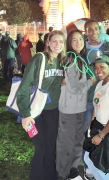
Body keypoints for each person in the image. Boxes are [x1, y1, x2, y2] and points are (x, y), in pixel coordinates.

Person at [17, 30, 65, 180]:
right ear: (48, 43)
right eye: (55, 41)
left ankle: (50, 176)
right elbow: (24, 86)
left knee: (51, 148)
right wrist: (25, 114)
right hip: (33, 112)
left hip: (53, 111)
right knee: (41, 147)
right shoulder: (40, 58)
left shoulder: (62, 62)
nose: (58, 45)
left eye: (61, 42)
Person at [56, 30, 97, 180]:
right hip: (69, 108)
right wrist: (90, 82)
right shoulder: (70, 59)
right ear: (69, 43)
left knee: (77, 141)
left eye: (80, 39)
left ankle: (72, 171)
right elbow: (74, 88)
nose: (78, 42)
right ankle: (62, 173)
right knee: (66, 143)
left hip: (80, 107)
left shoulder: (80, 58)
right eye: (74, 40)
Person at [83, 19, 109, 180]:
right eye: (89, 30)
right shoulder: (81, 50)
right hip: (88, 98)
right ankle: (88, 167)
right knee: (88, 132)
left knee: (104, 133)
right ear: (86, 32)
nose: (93, 32)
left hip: (107, 99)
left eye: (95, 28)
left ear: (99, 29)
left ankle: (103, 165)